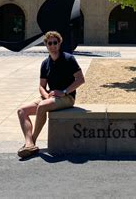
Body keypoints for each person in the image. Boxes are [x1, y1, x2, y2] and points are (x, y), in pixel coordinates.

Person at [16, 30, 85, 158]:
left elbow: (81, 79)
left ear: (59, 44)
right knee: (21, 111)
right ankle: (29, 142)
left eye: (55, 43)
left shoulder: (69, 59)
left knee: (42, 106)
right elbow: (41, 86)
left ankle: (31, 143)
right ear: (46, 45)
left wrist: (64, 91)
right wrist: (46, 95)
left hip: (66, 97)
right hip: (50, 97)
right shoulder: (45, 63)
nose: (53, 46)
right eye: (50, 43)